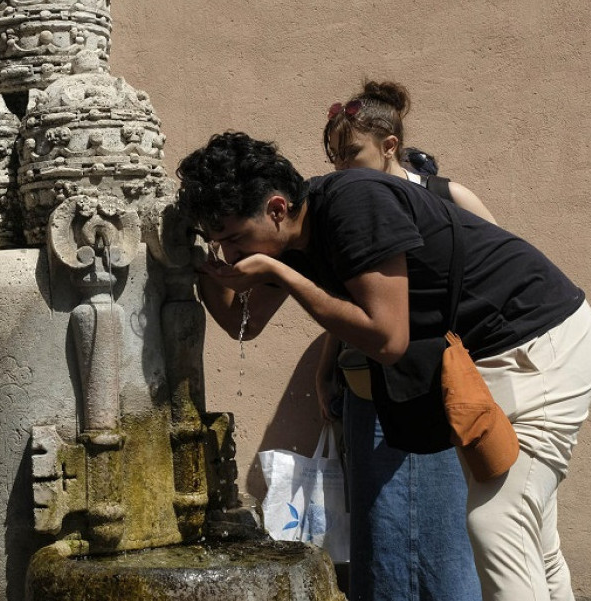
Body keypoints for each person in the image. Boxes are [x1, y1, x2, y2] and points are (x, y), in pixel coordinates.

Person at [177, 131, 589, 601]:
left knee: (497, 522)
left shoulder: (355, 204)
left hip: (538, 342)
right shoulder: (286, 241)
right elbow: (241, 323)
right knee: (534, 535)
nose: (231, 253)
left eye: (232, 239)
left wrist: (281, 274)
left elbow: (388, 339)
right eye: (218, 243)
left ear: (275, 208)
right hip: (491, 359)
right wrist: (199, 267)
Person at [315, 81, 489, 601]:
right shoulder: (347, 208)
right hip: (366, 392)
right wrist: (325, 371)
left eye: (352, 154)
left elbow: (490, 280)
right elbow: (350, 303)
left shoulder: (446, 197)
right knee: (380, 536)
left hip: (430, 390)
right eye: (334, 157)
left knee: (439, 539)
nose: (341, 168)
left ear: (389, 145)